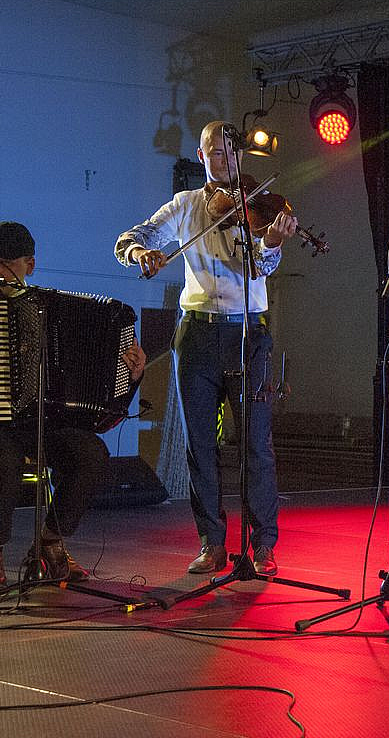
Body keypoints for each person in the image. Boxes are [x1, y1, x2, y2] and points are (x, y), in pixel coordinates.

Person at [0, 221, 146, 589]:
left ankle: (48, 543)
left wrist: (132, 372)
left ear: (29, 265)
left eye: (3, 262)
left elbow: (91, 374)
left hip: (36, 423)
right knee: (4, 456)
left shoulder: (49, 308)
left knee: (91, 453)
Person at [115, 121, 298, 577]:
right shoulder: (185, 206)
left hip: (247, 333)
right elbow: (130, 239)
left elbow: (260, 269)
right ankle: (212, 543)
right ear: (202, 156)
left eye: (232, 153)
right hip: (196, 334)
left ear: (242, 156)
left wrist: (272, 243)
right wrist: (142, 254)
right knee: (200, 443)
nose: (225, 161)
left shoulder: (257, 206)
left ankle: (263, 545)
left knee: (256, 444)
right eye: (216, 153)